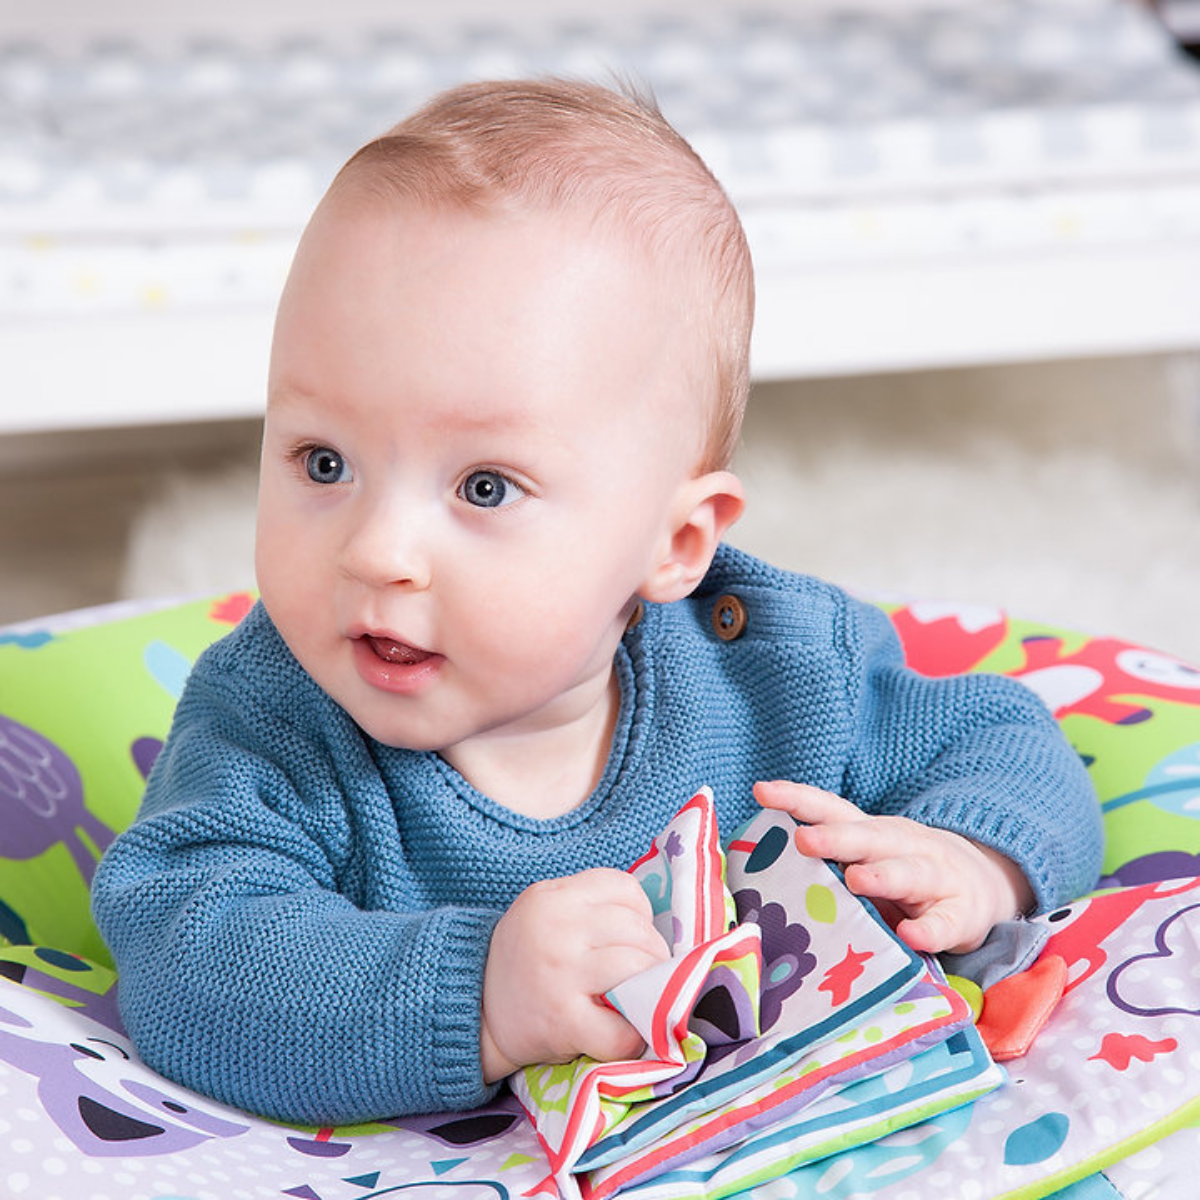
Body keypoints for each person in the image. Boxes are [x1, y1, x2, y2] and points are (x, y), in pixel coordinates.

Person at [91, 78, 1102, 1127]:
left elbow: (1010, 744)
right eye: (323, 459)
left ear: (673, 545)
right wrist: (479, 993)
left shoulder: (775, 668)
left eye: (484, 487)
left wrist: (968, 860)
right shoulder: (275, 717)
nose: (378, 551)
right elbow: (186, 962)